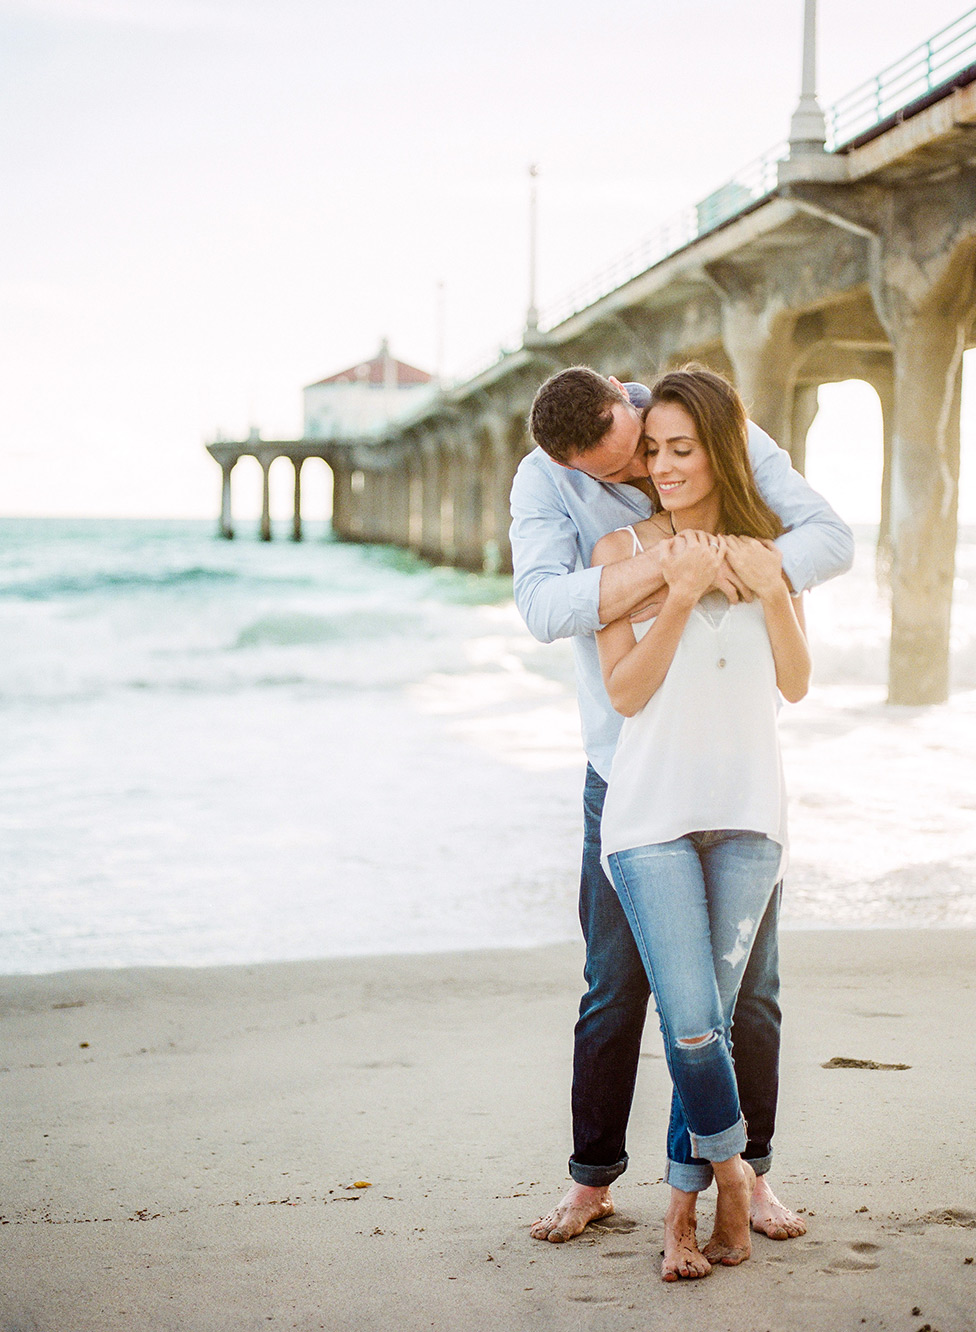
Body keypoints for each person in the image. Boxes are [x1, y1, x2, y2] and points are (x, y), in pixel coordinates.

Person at [509, 365, 853, 1270]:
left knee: (750, 1002)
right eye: (627, 465)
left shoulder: (734, 467)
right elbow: (547, 612)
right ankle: (596, 1175)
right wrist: (659, 576)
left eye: (663, 452)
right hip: (627, 781)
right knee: (619, 990)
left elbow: (824, 563)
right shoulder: (566, 498)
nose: (648, 472)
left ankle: (746, 1171)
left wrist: (756, 573)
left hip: (741, 796)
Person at [592, 364, 810, 1280]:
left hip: (750, 812)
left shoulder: (770, 547)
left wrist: (766, 587)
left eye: (683, 449)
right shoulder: (618, 556)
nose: (666, 466)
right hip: (650, 820)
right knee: (689, 1024)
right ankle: (731, 1174)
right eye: (653, 451)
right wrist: (677, 593)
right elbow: (626, 692)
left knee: (717, 1017)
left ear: (719, 449)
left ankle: (678, 1218)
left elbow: (794, 682)